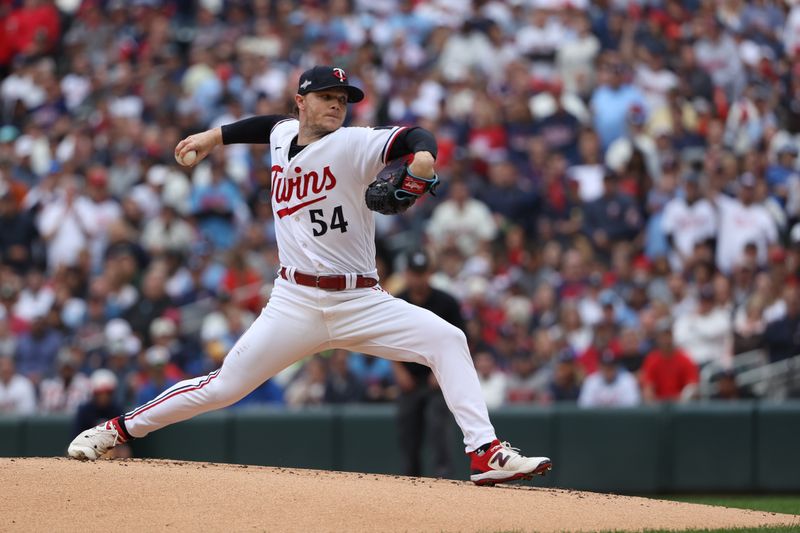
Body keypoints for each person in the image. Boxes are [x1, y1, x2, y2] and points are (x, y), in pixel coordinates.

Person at [67, 66, 551, 485]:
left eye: (342, 100)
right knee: (222, 387)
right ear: (302, 102)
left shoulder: (353, 144)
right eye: (326, 98)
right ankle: (116, 430)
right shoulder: (283, 136)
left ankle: (485, 453)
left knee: (446, 339)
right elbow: (266, 127)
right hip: (294, 302)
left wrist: (422, 159)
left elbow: (413, 138)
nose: (337, 106)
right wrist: (213, 137)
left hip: (360, 301)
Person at [394, 249, 461, 478]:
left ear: (429, 274)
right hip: (409, 379)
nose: (418, 278)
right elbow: (385, 340)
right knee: (408, 438)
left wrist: (441, 371)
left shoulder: (446, 302)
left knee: (439, 433)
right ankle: (410, 482)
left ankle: (444, 480)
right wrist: (398, 370)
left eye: (422, 273)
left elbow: (461, 340)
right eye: (414, 273)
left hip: (436, 381)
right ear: (407, 274)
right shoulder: (397, 302)